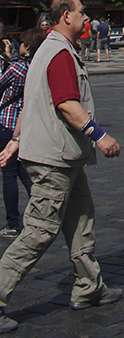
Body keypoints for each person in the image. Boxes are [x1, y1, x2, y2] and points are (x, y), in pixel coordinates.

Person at [0, 0, 122, 331]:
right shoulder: (59, 53)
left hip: (65, 156)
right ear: (66, 16)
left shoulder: (48, 50)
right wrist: (100, 135)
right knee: (39, 232)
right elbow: (67, 104)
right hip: (54, 158)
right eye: (82, 13)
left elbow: (30, 102)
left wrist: (15, 141)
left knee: (81, 217)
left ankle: (89, 287)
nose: (87, 18)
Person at [0, 31, 45, 239]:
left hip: (8, 123)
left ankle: (12, 222)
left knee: (9, 175)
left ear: (26, 46)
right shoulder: (37, 66)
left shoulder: (16, 67)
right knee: (25, 173)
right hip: (26, 124)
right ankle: (43, 213)